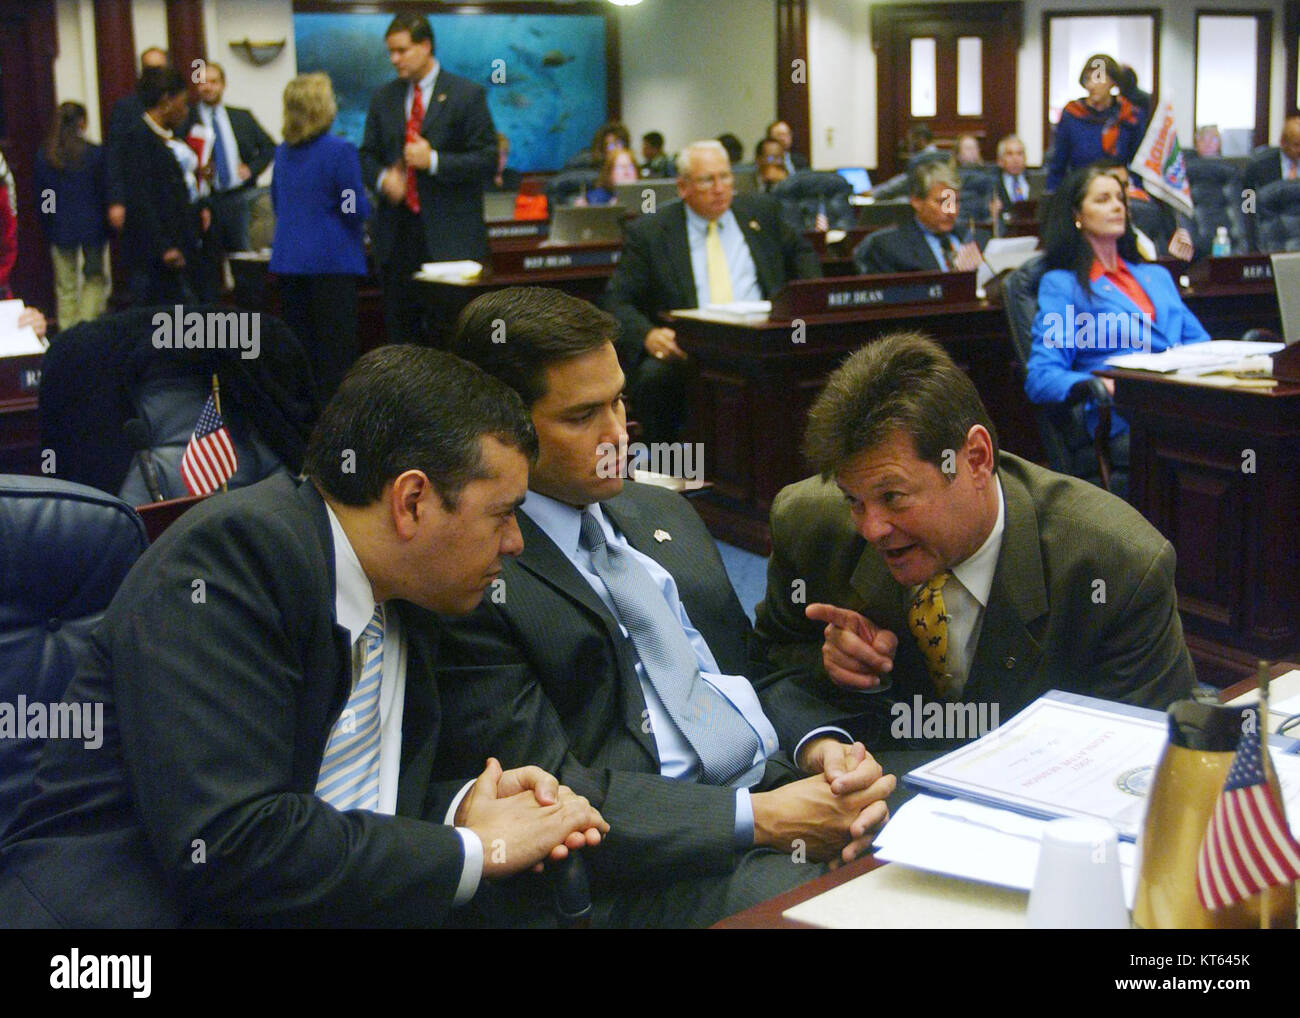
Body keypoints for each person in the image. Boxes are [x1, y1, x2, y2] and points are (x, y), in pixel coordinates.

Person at [0, 345, 608, 928]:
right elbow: (230, 842)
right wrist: (472, 848)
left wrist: (462, 810)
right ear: (413, 501)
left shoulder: (418, 588)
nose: (515, 543)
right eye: (501, 515)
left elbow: (337, 799)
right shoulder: (231, 562)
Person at [436, 286, 895, 928]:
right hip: (648, 868)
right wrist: (762, 822)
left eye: (620, 400)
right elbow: (548, 797)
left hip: (776, 786)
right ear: (501, 430)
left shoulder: (663, 513)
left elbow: (753, 674)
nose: (618, 434)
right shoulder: (474, 573)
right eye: (581, 416)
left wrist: (822, 750)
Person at [751, 331, 1195, 754]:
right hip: (872, 796)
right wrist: (828, 667)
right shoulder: (808, 524)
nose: (871, 528)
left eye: (893, 497)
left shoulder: (1116, 565)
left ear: (976, 459)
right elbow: (769, 663)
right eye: (854, 501)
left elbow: (1144, 757)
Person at [602, 139, 821, 443]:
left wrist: (808, 302)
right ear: (683, 187)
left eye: (726, 177)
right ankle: (671, 474)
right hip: (691, 348)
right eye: (707, 180)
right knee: (655, 378)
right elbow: (616, 299)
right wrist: (649, 335)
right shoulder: (651, 232)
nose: (720, 188)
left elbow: (802, 253)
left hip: (763, 338)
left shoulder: (762, 212)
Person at [1025, 165, 1210, 482]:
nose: (1117, 206)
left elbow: (1202, 348)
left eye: (1120, 199)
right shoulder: (1063, 285)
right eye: (1102, 199)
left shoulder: (1156, 276)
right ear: (1076, 214)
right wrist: (1105, 385)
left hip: (1183, 402)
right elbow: (1042, 377)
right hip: (1125, 413)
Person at [360, 11, 497, 345]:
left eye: (402, 50)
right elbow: (365, 155)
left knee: (452, 336)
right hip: (396, 235)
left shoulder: (466, 94)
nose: (394, 59)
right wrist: (382, 180)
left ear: (425, 45)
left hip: (450, 238)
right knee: (401, 335)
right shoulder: (384, 97)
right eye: (390, 51)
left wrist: (433, 160)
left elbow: (486, 159)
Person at [270, 73, 371, 402]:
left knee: (301, 355)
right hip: (332, 263)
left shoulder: (282, 152)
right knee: (336, 359)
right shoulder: (339, 150)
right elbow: (352, 206)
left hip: (289, 264)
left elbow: (276, 202)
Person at [118, 66, 207, 305]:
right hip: (156, 255)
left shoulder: (167, 135)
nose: (186, 109)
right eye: (183, 102)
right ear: (167, 100)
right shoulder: (138, 138)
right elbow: (141, 199)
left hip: (180, 242)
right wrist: (164, 247)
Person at [183, 61, 275, 253]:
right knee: (208, 261)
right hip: (206, 200)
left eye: (214, 81)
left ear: (223, 84)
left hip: (241, 197)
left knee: (244, 257)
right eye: (203, 82)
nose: (208, 87)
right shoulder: (186, 119)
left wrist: (251, 169)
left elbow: (269, 147)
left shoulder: (241, 117)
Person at [35, 102, 108, 328]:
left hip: (60, 227)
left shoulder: (46, 156)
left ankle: (67, 335)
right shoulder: (94, 153)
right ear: (82, 123)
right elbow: (102, 192)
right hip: (92, 225)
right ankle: (85, 327)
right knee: (94, 277)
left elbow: (46, 197)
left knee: (65, 287)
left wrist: (50, 223)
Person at [853, 158, 981, 275]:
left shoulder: (974, 239)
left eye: (955, 201)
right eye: (942, 202)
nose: (951, 211)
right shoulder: (891, 248)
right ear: (917, 201)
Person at [1046, 53, 1145, 193]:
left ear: (1113, 81)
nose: (1091, 85)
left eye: (1098, 78)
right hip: (1080, 190)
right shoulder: (1072, 114)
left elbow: (1138, 165)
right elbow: (1058, 165)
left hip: (1118, 190)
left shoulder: (1129, 115)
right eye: (1087, 79)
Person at [105, 46, 168, 234]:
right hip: (138, 195)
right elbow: (114, 155)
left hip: (171, 194)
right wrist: (116, 200)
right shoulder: (126, 107)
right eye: (150, 70)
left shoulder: (178, 105)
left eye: (160, 70)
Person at [1243, 114, 1300, 250]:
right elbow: (1247, 206)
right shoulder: (1259, 165)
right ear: (1282, 143)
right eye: (1296, 145)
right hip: (1270, 236)